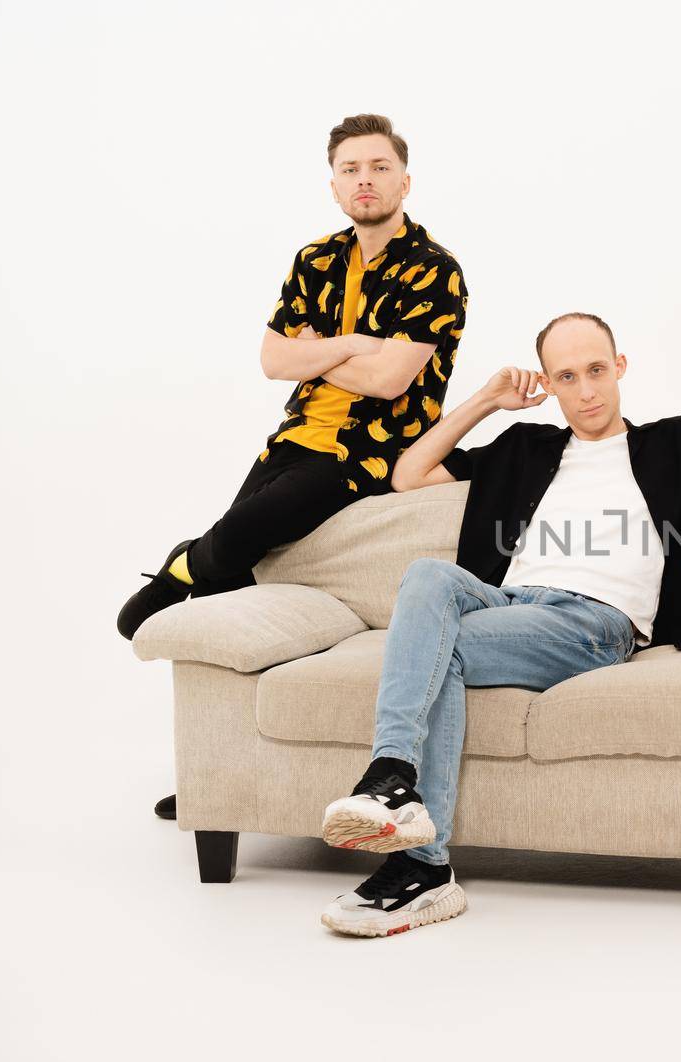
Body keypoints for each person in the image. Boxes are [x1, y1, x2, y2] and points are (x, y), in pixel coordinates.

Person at [315, 312, 681, 937]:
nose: (587, 391)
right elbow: (408, 475)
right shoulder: (524, 448)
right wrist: (486, 402)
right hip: (508, 602)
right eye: (568, 377)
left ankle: (420, 864)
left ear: (621, 366)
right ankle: (393, 781)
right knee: (427, 575)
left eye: (598, 371)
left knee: (438, 650)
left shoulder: (678, 440)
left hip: (594, 623)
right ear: (549, 384)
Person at [117, 114, 468, 822]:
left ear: (405, 179)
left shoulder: (436, 269)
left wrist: (322, 349)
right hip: (293, 438)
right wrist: (352, 342)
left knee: (233, 540)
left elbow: (395, 380)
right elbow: (275, 359)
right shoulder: (316, 259)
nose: (363, 180)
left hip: (369, 451)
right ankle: (213, 780)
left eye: (377, 166)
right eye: (350, 169)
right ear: (334, 182)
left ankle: (181, 566)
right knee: (234, 605)